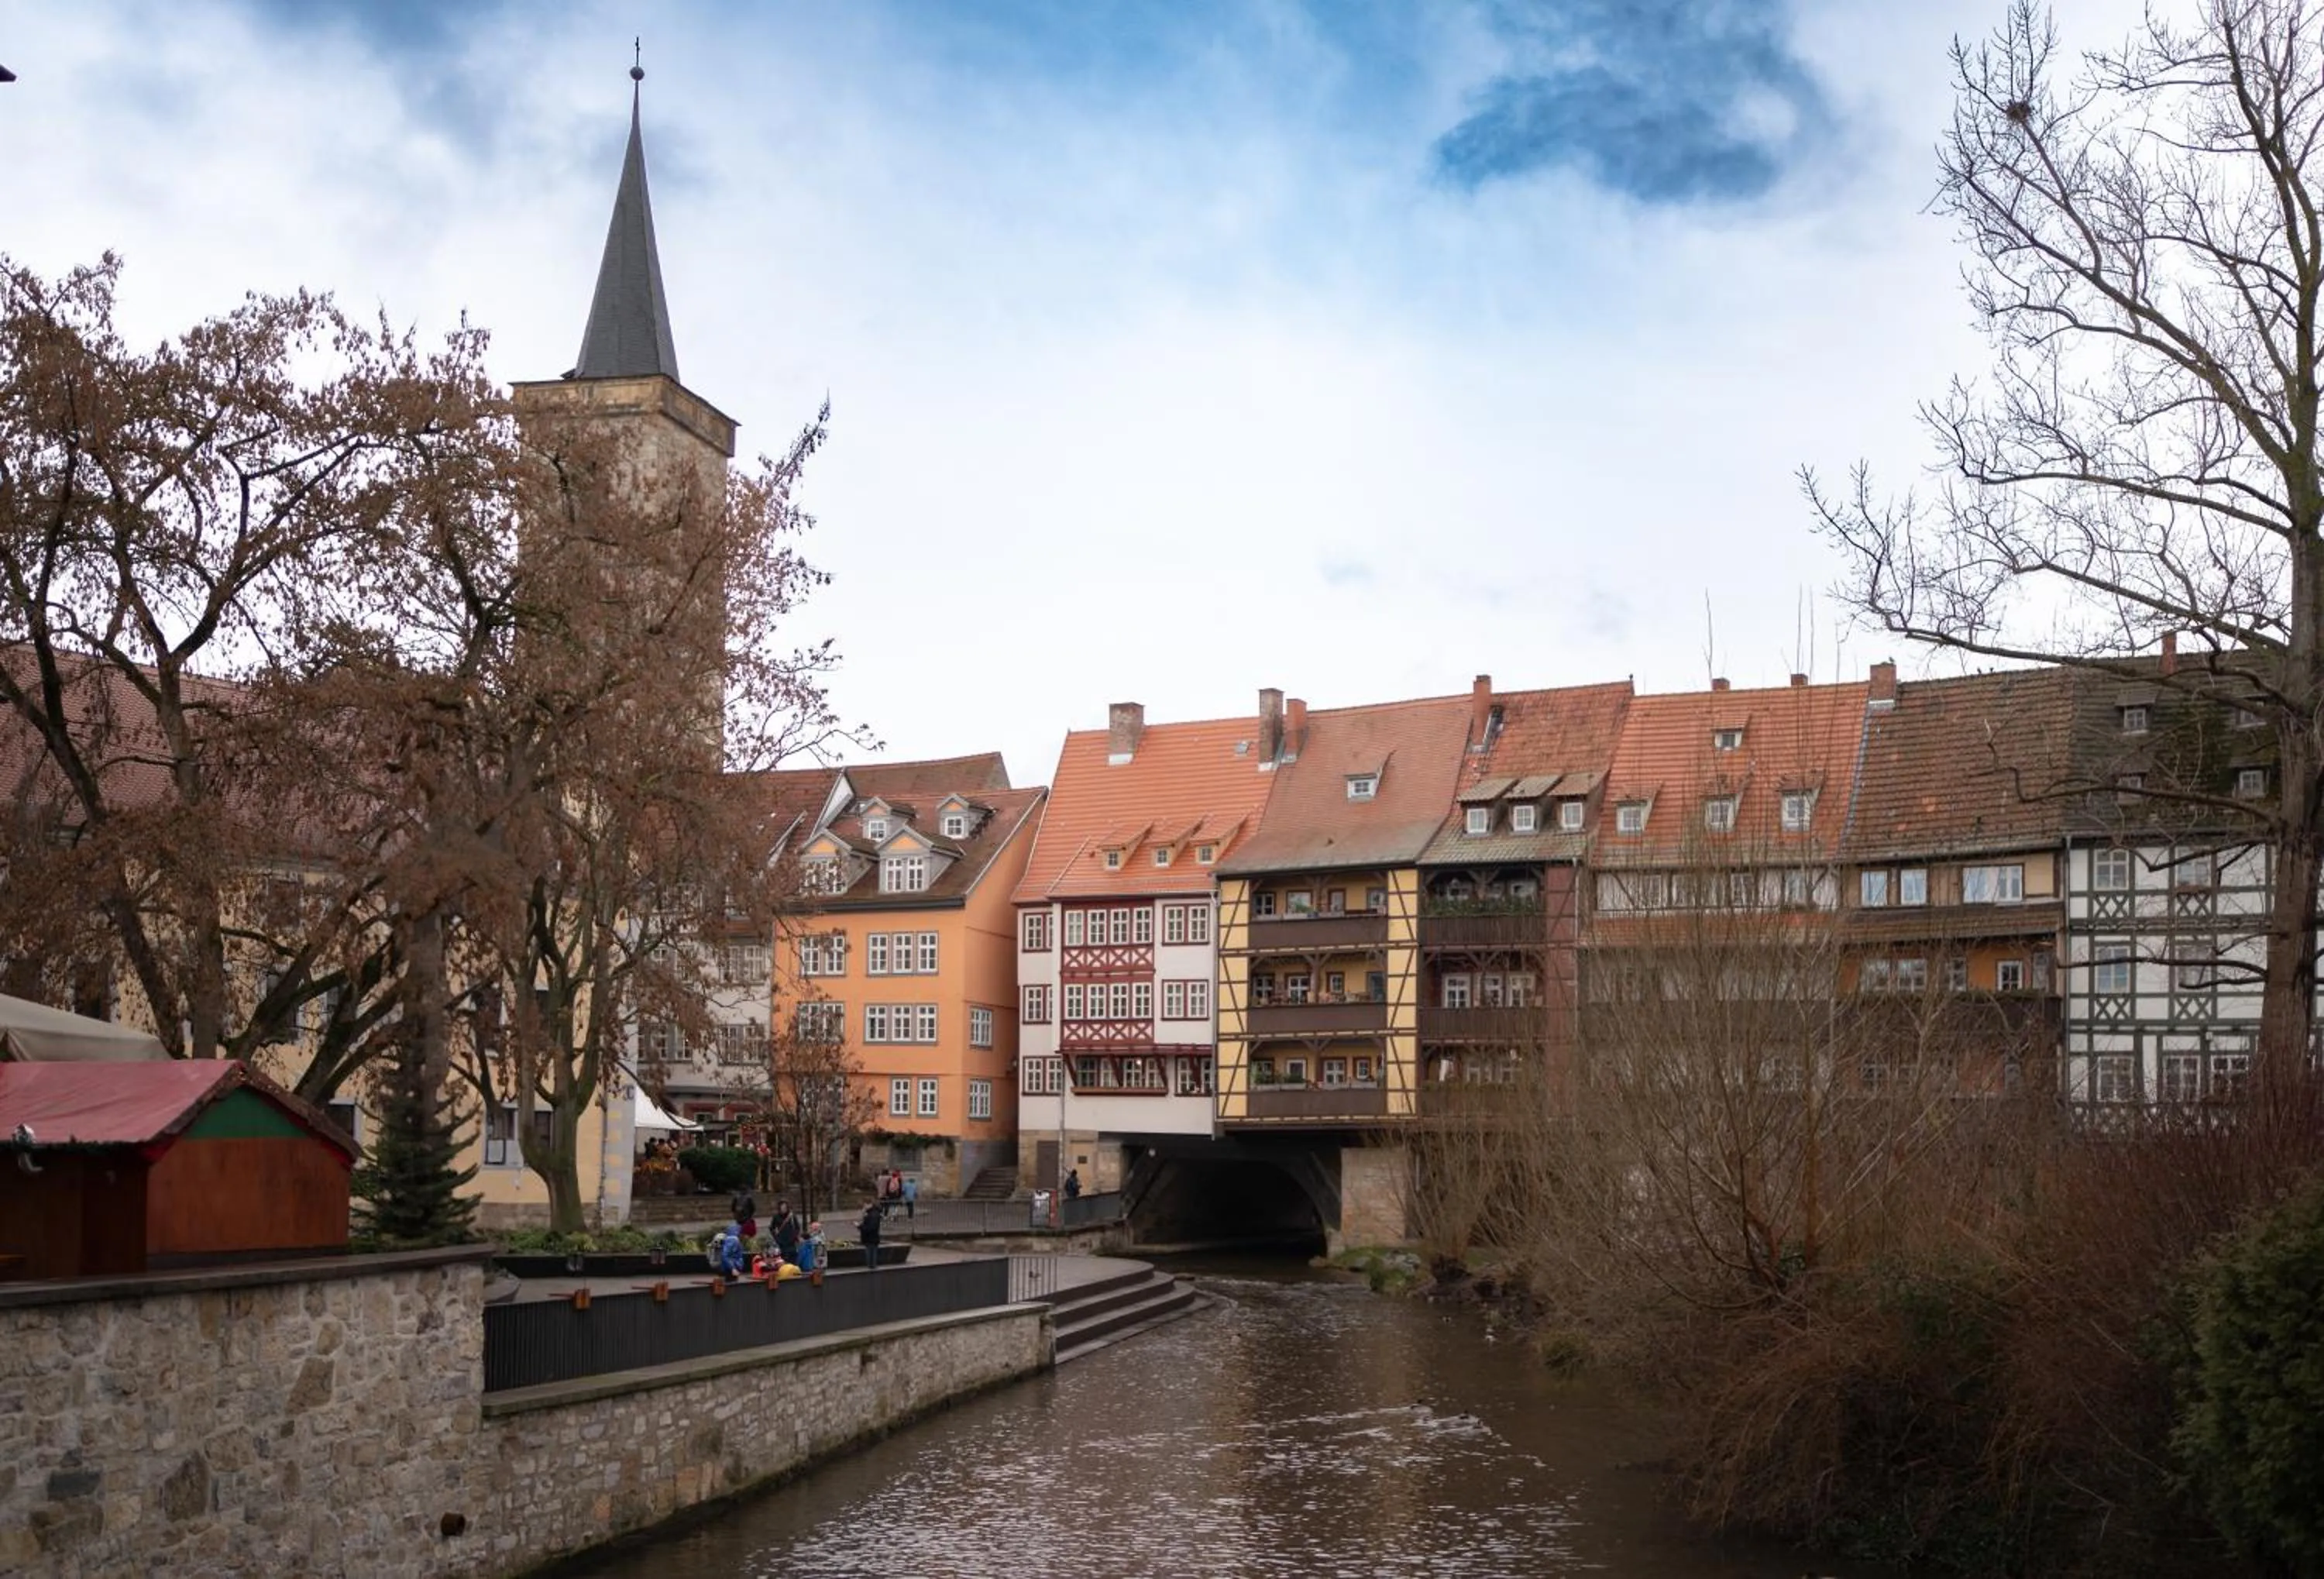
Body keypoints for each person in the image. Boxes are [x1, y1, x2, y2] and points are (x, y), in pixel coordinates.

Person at [859, 1197, 886, 1272]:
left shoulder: (873, 1214)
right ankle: (872, 1267)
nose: (864, 1207)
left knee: (871, 1256)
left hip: (871, 1238)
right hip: (871, 1238)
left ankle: (872, 1268)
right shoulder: (871, 1213)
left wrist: (860, 1226)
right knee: (871, 1254)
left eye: (864, 1205)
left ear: (869, 1204)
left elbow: (870, 1227)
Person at [772, 1199, 801, 1267]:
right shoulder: (776, 1217)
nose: (783, 1209)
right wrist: (777, 1238)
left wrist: (794, 1236)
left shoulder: (792, 1216)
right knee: (783, 1260)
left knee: (793, 1259)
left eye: (785, 1207)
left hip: (791, 1242)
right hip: (782, 1243)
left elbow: (797, 1227)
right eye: (782, 1207)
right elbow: (772, 1228)